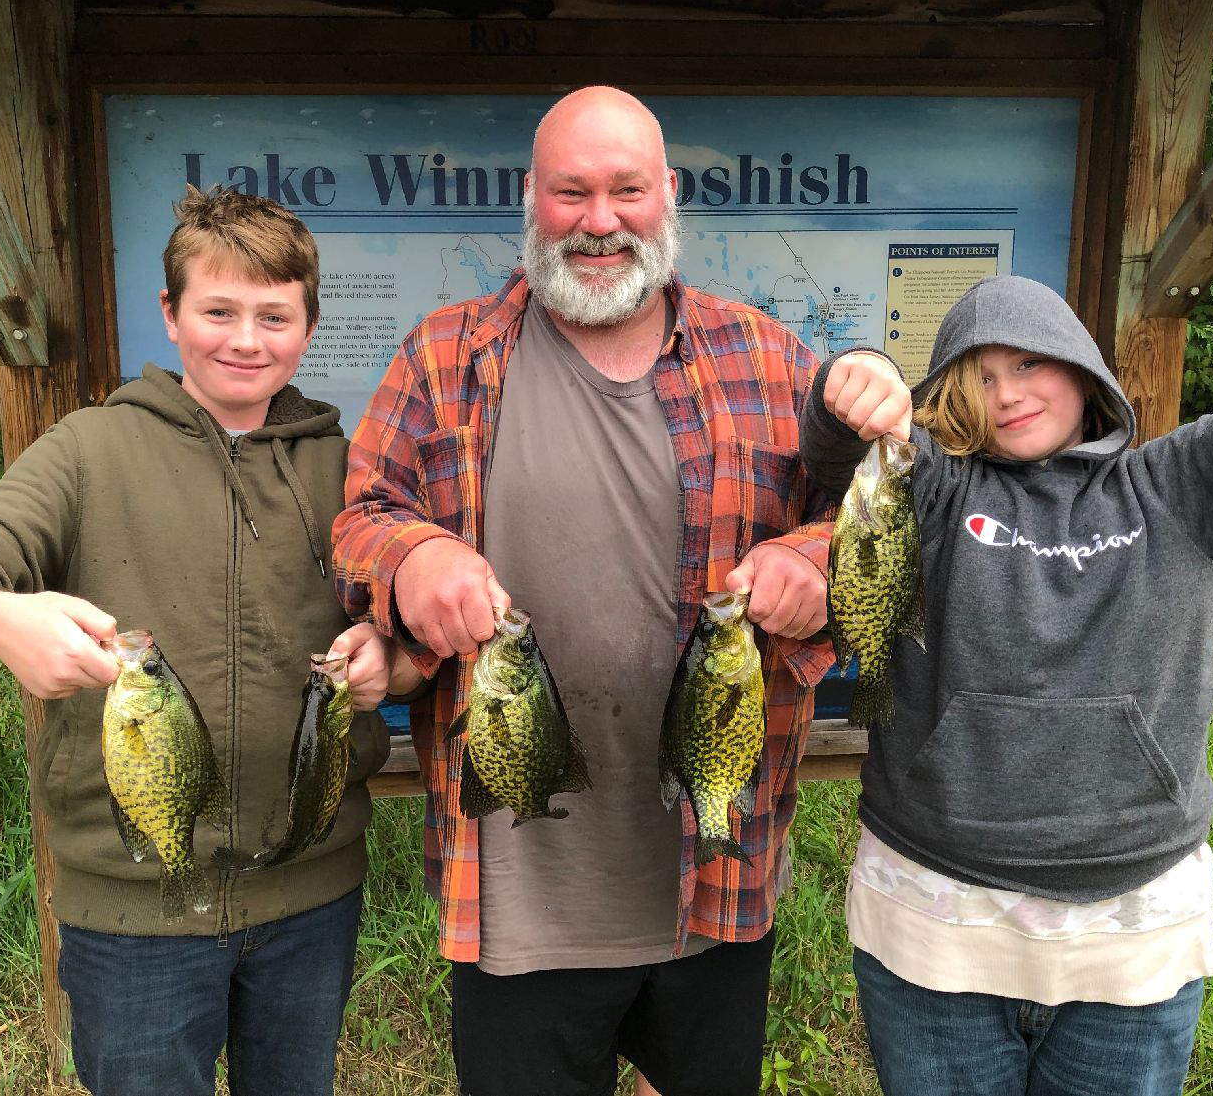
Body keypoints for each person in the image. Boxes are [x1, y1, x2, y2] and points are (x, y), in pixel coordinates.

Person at [332, 86, 836, 1096]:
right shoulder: (442, 357)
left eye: (625, 190)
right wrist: (412, 560)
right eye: (571, 191)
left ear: (668, 196)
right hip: (516, 890)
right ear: (533, 198)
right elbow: (360, 516)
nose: (599, 220)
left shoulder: (772, 359)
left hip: (713, 871)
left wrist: (817, 563)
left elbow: (870, 515)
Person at [0, 186, 420, 1096]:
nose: (245, 338)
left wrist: (392, 661)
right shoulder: (85, 450)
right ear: (169, 315)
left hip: (312, 895)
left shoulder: (350, 464)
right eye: (218, 310)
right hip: (129, 913)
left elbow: (411, 628)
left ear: (309, 326)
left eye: (272, 315)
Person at [799, 274, 1213, 1096]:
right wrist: (851, 380)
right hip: (934, 919)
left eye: (1031, 362)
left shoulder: (1180, 481)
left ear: (1083, 369)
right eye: (980, 376)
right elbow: (833, 451)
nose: (1008, 393)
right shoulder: (929, 486)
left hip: (1132, 939)